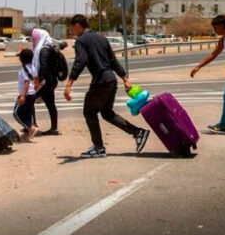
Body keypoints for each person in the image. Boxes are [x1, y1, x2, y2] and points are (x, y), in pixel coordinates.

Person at [64, 14, 150, 158]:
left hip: (101, 83)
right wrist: (124, 78)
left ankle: (98, 148)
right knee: (107, 113)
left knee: (89, 113)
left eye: (72, 28)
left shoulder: (81, 41)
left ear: (78, 26)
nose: (73, 31)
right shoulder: (101, 38)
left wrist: (69, 84)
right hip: (111, 80)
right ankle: (138, 133)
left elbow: (80, 61)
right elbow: (113, 60)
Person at [31, 28, 60, 135]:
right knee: (51, 104)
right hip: (50, 81)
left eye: (34, 38)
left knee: (30, 101)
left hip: (44, 82)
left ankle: (32, 126)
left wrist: (39, 80)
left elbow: (44, 66)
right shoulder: (49, 47)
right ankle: (54, 128)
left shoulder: (43, 50)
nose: (33, 40)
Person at [13, 49, 39, 141]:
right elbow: (36, 79)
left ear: (22, 59)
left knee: (17, 113)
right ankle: (28, 133)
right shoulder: (32, 67)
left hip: (26, 95)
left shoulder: (23, 70)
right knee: (27, 114)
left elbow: (27, 82)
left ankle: (31, 128)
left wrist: (23, 95)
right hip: (32, 94)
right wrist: (34, 89)